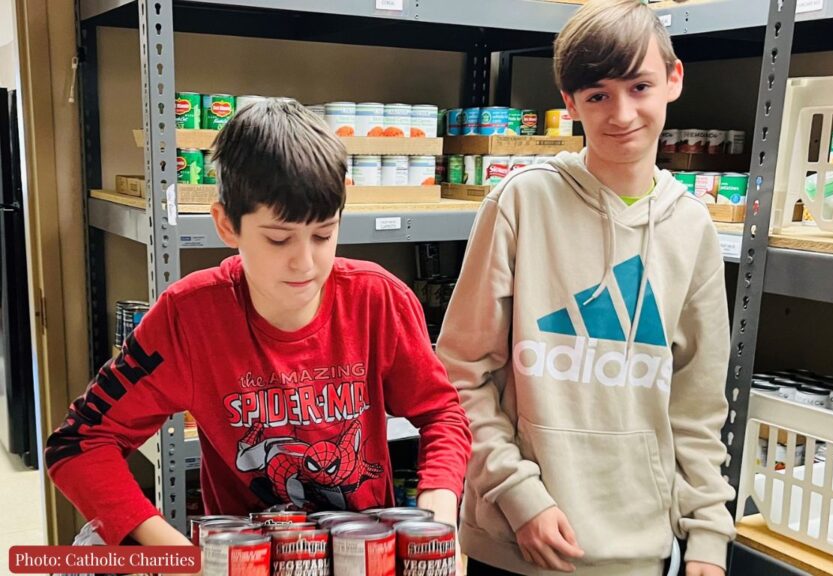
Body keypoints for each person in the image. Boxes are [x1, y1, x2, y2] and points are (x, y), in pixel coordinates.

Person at [45, 99, 471, 550]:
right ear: (227, 225)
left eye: (324, 234)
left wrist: (435, 519)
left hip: (366, 553)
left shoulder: (379, 299)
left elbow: (443, 415)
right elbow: (78, 444)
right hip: (245, 557)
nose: (305, 262)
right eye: (278, 238)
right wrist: (175, 553)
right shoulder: (188, 317)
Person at [435, 0, 736, 574]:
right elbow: (459, 373)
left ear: (674, 80)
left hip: (639, 551)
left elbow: (697, 406)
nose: (621, 113)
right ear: (570, 104)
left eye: (639, 86)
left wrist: (707, 539)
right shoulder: (520, 202)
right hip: (516, 545)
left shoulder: (692, 226)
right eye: (597, 95)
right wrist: (519, 496)